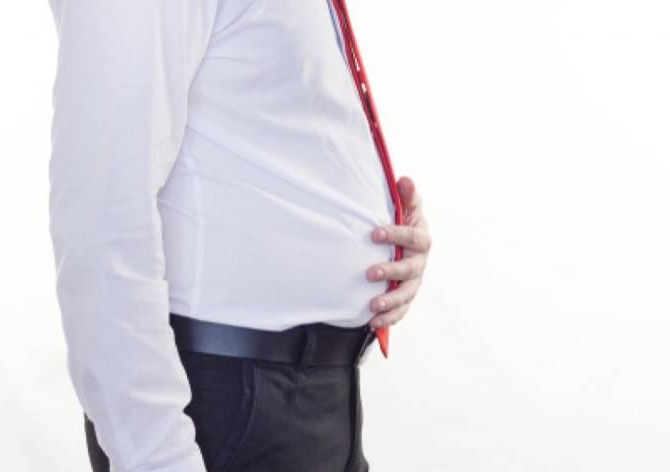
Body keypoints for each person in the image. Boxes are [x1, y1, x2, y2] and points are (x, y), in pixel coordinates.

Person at [45, 0, 432, 470]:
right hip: (227, 403)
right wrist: (156, 457)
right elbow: (99, 213)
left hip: (313, 398)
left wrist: (381, 235)